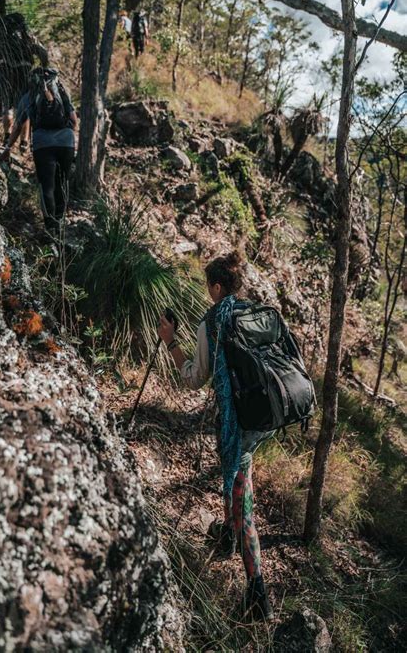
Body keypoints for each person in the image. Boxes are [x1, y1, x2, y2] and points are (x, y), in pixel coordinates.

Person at [158, 251, 275, 622]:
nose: (207, 291)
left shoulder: (215, 320)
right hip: (264, 417)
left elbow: (194, 378)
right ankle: (225, 536)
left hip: (238, 422)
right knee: (239, 477)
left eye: (208, 285)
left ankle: (258, 594)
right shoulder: (253, 311)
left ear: (217, 286)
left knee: (244, 503)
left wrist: (169, 340)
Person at [0, 67, 77, 235]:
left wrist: (8, 148)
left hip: (43, 145)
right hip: (66, 144)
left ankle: (50, 227)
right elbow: (74, 121)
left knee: (46, 185)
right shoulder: (63, 93)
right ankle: (60, 221)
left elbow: (18, 125)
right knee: (62, 183)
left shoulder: (28, 97)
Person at [0, 13, 49, 150]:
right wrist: (43, 67)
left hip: (6, 73)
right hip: (25, 74)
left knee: (7, 108)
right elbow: (43, 53)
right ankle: (24, 141)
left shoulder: (0, 36)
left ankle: (7, 136)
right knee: (24, 108)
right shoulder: (28, 37)